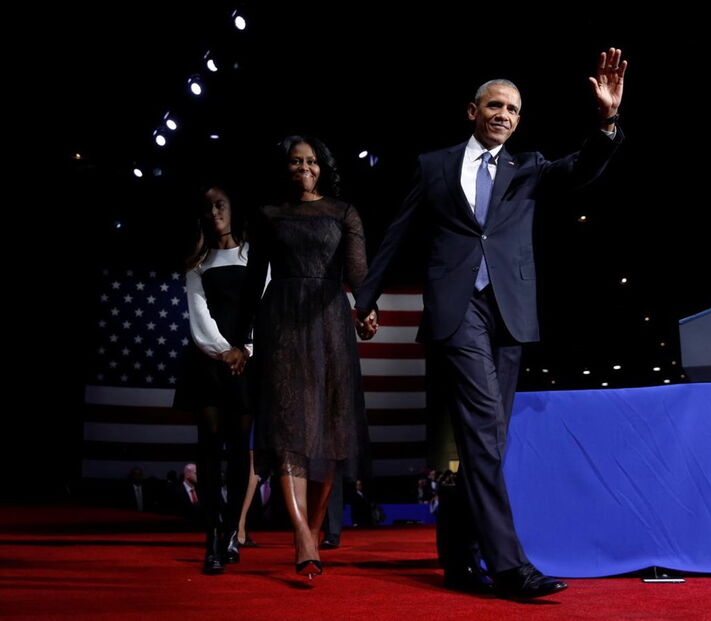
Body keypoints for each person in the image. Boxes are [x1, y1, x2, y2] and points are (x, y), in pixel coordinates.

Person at [354, 48, 627, 599]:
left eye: (513, 109)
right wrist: (365, 297)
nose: (503, 114)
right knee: (481, 433)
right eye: (494, 105)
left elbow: (582, 168)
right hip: (458, 312)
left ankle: (456, 560)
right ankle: (509, 566)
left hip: (510, 314)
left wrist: (607, 122)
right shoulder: (434, 166)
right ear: (472, 111)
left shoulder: (528, 169)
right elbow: (398, 233)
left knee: (489, 444)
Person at [235, 135, 376, 579]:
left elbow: (358, 274)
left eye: (312, 162)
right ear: (285, 168)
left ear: (322, 167)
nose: (304, 168)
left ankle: (314, 529)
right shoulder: (268, 214)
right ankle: (300, 533)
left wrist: (367, 312)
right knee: (289, 427)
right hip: (282, 324)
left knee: (331, 431)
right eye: (296, 162)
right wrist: (239, 337)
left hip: (331, 322)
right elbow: (254, 277)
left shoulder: (343, 212)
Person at [174, 184, 261, 574]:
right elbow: (198, 313)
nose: (214, 213)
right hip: (209, 363)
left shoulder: (256, 255)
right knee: (209, 447)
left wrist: (246, 349)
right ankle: (211, 534)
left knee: (240, 448)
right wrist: (225, 349)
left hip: (248, 361)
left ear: (233, 207)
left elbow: (265, 305)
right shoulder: (198, 261)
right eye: (207, 207)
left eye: (220, 204)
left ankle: (230, 531)